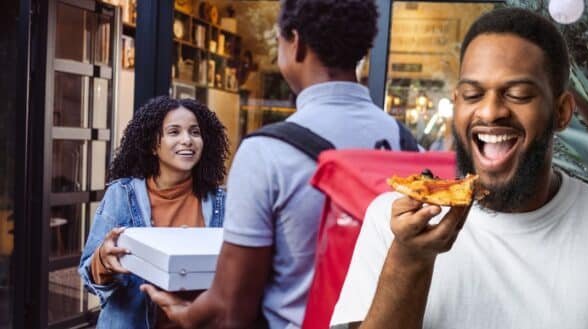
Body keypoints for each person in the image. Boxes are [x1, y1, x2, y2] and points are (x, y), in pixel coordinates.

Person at [331, 8, 588, 329]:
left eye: (518, 94)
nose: (490, 111)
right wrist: (409, 259)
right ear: (457, 103)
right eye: (472, 94)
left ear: (561, 112)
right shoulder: (392, 223)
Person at [141, 0, 409, 328]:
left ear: (295, 42)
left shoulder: (266, 153)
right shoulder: (408, 145)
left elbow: (230, 310)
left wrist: (182, 315)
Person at [78, 96, 230, 329]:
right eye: (174, 132)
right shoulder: (122, 194)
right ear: (152, 145)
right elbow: (88, 276)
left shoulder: (221, 202)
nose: (187, 140)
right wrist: (103, 260)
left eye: (194, 132)